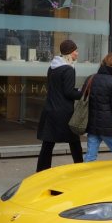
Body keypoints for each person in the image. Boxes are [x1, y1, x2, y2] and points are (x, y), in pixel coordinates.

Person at [36, 39, 84, 172]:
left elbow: (56, 89)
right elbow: (68, 92)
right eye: (75, 51)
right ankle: (80, 169)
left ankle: (41, 172)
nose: (77, 54)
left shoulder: (52, 67)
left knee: (47, 144)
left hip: (50, 109)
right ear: (69, 53)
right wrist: (83, 94)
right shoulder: (68, 69)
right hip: (64, 112)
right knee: (74, 143)